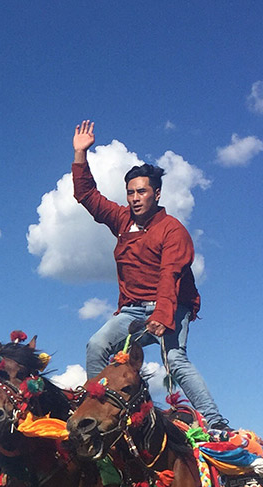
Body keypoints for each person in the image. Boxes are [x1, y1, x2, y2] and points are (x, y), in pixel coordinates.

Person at [72, 119, 229, 429]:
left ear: (156, 194)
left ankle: (216, 422)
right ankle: (95, 413)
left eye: (141, 192)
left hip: (170, 305)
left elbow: (170, 273)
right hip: (132, 310)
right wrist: (80, 154)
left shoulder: (172, 230)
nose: (134, 198)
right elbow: (87, 196)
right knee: (97, 346)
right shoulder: (121, 219)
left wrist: (163, 312)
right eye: (130, 192)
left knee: (175, 360)